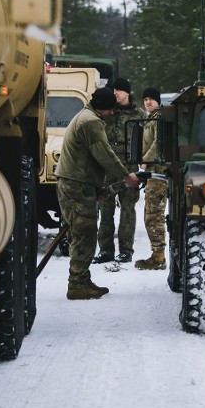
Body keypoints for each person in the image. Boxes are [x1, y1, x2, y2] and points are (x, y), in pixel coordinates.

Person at [56, 87, 141, 299]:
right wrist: (126, 175)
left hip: (78, 183)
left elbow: (89, 159)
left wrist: (97, 189)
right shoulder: (91, 122)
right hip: (76, 185)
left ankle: (82, 280)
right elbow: (104, 155)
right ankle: (77, 285)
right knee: (84, 234)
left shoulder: (86, 116)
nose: (112, 113)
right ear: (101, 107)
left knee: (82, 232)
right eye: (110, 110)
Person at [92, 77, 144, 264]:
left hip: (129, 167)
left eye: (119, 90)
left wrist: (143, 165)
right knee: (105, 209)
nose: (115, 93)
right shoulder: (107, 111)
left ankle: (126, 250)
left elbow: (145, 140)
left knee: (128, 210)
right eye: (113, 90)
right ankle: (105, 250)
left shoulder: (138, 114)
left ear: (127, 92)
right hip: (106, 168)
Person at [135, 87, 168, 270]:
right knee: (151, 215)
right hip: (152, 173)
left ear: (158, 100)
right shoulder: (150, 118)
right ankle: (157, 254)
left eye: (151, 99)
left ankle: (159, 257)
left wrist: (145, 162)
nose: (148, 102)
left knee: (154, 216)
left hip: (158, 173)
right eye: (145, 99)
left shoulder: (158, 118)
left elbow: (158, 142)